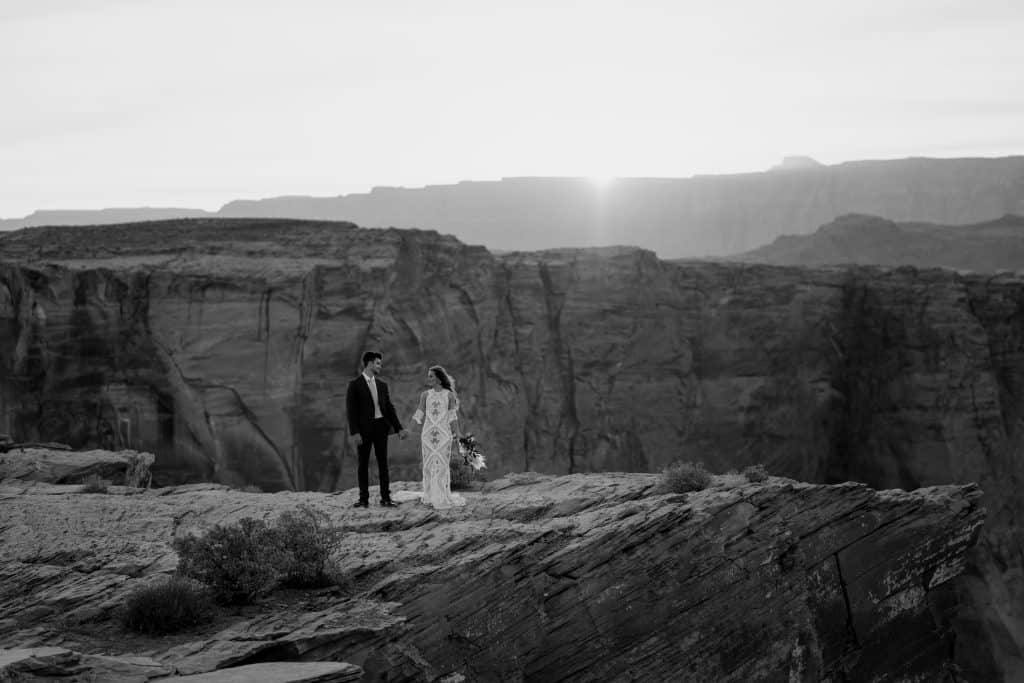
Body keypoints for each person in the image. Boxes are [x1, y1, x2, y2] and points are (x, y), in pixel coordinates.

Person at [346, 351, 408, 508]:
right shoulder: (355, 385)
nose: (380, 366)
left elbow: (389, 408)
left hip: (381, 427)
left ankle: (385, 498)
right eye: (378, 363)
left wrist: (399, 428)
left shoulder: (382, 385)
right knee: (363, 464)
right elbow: (351, 411)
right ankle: (363, 499)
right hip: (363, 431)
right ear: (369, 363)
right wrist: (355, 432)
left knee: (383, 463)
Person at [407, 365, 467, 509]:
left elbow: (452, 417)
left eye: (431, 376)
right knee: (428, 465)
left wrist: (458, 433)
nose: (428, 379)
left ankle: (441, 496)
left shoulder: (449, 395)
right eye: (428, 376)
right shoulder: (425, 395)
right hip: (427, 435)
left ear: (439, 379)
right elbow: (419, 413)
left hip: (444, 435)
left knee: (442, 465)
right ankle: (429, 494)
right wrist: (409, 429)